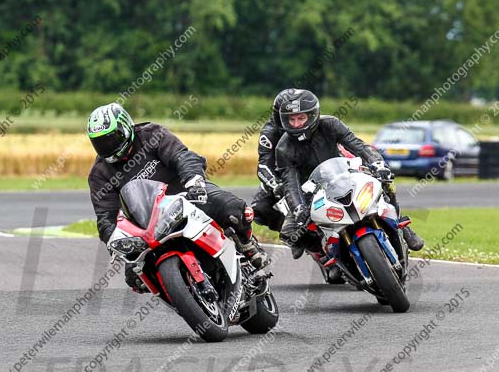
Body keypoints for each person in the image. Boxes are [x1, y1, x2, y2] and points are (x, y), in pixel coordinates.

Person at [87, 103, 269, 291]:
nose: (108, 146)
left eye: (111, 138)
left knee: (231, 209)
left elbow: (182, 156)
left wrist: (194, 181)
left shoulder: (151, 134)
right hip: (148, 225)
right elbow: (105, 218)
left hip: (188, 195)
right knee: (135, 277)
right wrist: (114, 240)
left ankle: (246, 243)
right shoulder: (99, 174)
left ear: (125, 127)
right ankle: (184, 294)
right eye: (99, 142)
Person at [274, 89, 425, 258]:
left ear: (312, 115)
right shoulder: (283, 148)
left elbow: (358, 145)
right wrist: (298, 207)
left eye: (301, 118)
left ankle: (400, 224)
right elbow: (290, 183)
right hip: (310, 190)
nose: (296, 124)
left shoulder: (330, 124)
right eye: (291, 119)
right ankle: (323, 253)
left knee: (383, 181)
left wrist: (377, 163)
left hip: (341, 173)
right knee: (289, 233)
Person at [248, 89, 293, 232]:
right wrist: (276, 185)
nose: (294, 121)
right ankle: (294, 235)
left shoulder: (319, 125)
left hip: (312, 169)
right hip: (282, 175)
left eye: (299, 116)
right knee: (259, 209)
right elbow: (263, 166)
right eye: (288, 116)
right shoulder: (269, 133)